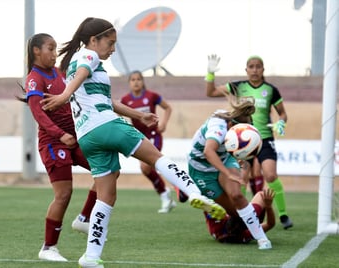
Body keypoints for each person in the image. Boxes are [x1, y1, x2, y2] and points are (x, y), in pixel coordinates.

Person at [40, 17, 226, 268]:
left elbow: (107, 99)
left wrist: (139, 114)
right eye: (110, 42)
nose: (113, 49)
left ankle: (91, 257)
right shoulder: (89, 56)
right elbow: (84, 74)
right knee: (156, 157)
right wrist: (63, 95)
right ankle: (194, 192)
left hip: (88, 137)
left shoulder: (75, 62)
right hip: (107, 126)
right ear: (94, 40)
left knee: (106, 196)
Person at [16, 33, 97, 262]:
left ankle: (84, 218)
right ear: (36, 51)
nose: (54, 53)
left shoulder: (59, 73)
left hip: (74, 138)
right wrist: (60, 135)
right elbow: (38, 114)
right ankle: (48, 248)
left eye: (54, 48)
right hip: (54, 142)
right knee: (64, 193)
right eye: (50, 48)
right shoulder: (35, 78)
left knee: (108, 171)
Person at [204, 54, 293, 230]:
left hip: (264, 138)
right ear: (246, 70)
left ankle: (283, 215)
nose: (254, 70)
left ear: (263, 69)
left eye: (258, 66)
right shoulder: (238, 87)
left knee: (270, 175)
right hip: (241, 141)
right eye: (251, 67)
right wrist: (210, 73)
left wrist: (281, 122)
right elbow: (210, 92)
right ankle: (239, 214)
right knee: (241, 177)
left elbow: (282, 113)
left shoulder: (271, 90)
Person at [187, 97, 272, 250]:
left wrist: (236, 160)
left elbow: (233, 147)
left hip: (224, 159)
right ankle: (187, 192)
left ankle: (262, 239)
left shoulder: (237, 125)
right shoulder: (218, 127)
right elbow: (208, 151)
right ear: (232, 125)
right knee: (235, 213)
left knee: (237, 196)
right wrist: (228, 173)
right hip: (201, 169)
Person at [120, 70, 175, 213]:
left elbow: (167, 107)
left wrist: (164, 123)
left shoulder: (151, 96)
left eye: (138, 79)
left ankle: (167, 194)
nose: (136, 82)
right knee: (147, 168)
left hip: (153, 135)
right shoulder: (126, 100)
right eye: (133, 79)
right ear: (129, 83)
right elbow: (117, 113)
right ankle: (166, 194)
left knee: (146, 167)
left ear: (143, 81)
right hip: (138, 137)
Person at [205, 188, 275, 244]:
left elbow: (206, 200)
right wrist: (268, 206)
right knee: (262, 195)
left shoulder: (217, 225)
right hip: (254, 216)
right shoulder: (250, 224)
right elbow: (270, 224)